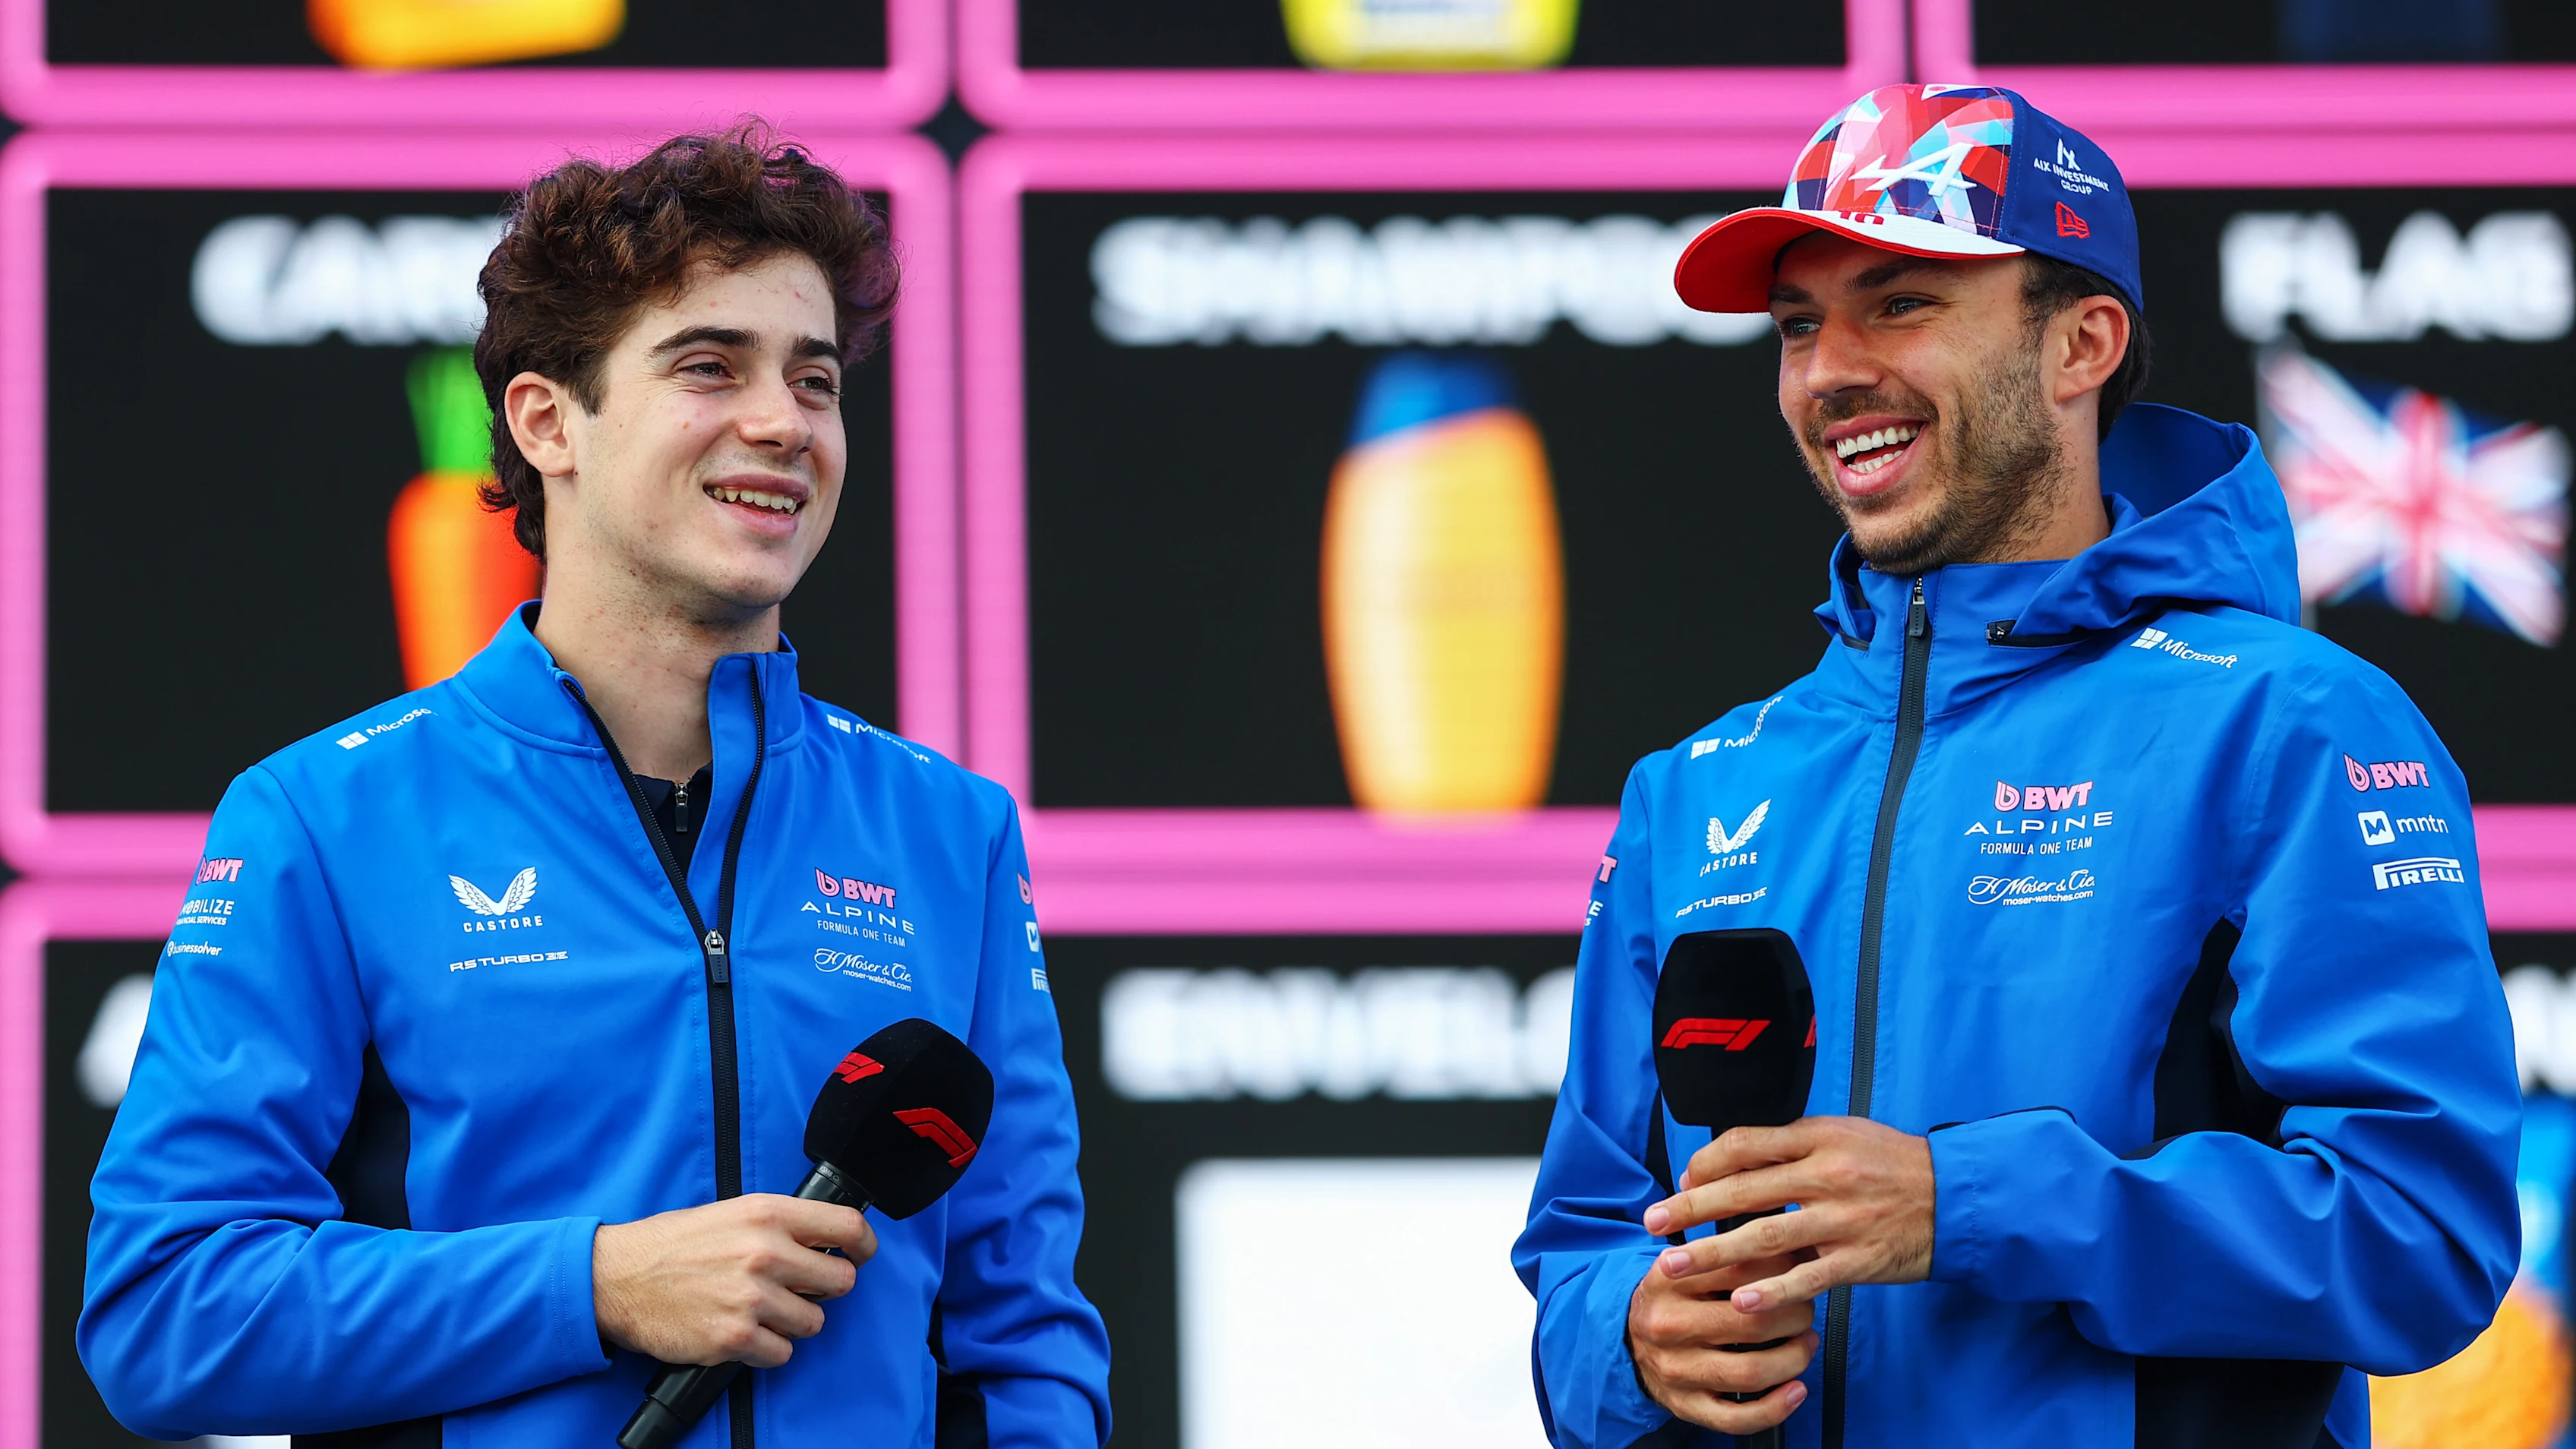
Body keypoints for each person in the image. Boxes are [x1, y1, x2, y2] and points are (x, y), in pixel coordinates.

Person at [1513, 84, 2520, 1448]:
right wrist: (1628, 1335)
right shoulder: (1691, 790)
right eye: (1800, 325)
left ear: (2082, 343)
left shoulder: (2292, 723)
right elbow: (1580, 1247)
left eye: (1902, 302)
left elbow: (2421, 1239)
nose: (1829, 371)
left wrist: (1970, 1204)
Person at [80, 127, 1112, 1447]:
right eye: (708, 366)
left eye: (814, 382)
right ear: (546, 419)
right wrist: (599, 1286)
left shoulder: (949, 832)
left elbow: (1020, 1338)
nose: (781, 422)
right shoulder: (323, 823)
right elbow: (167, 1313)